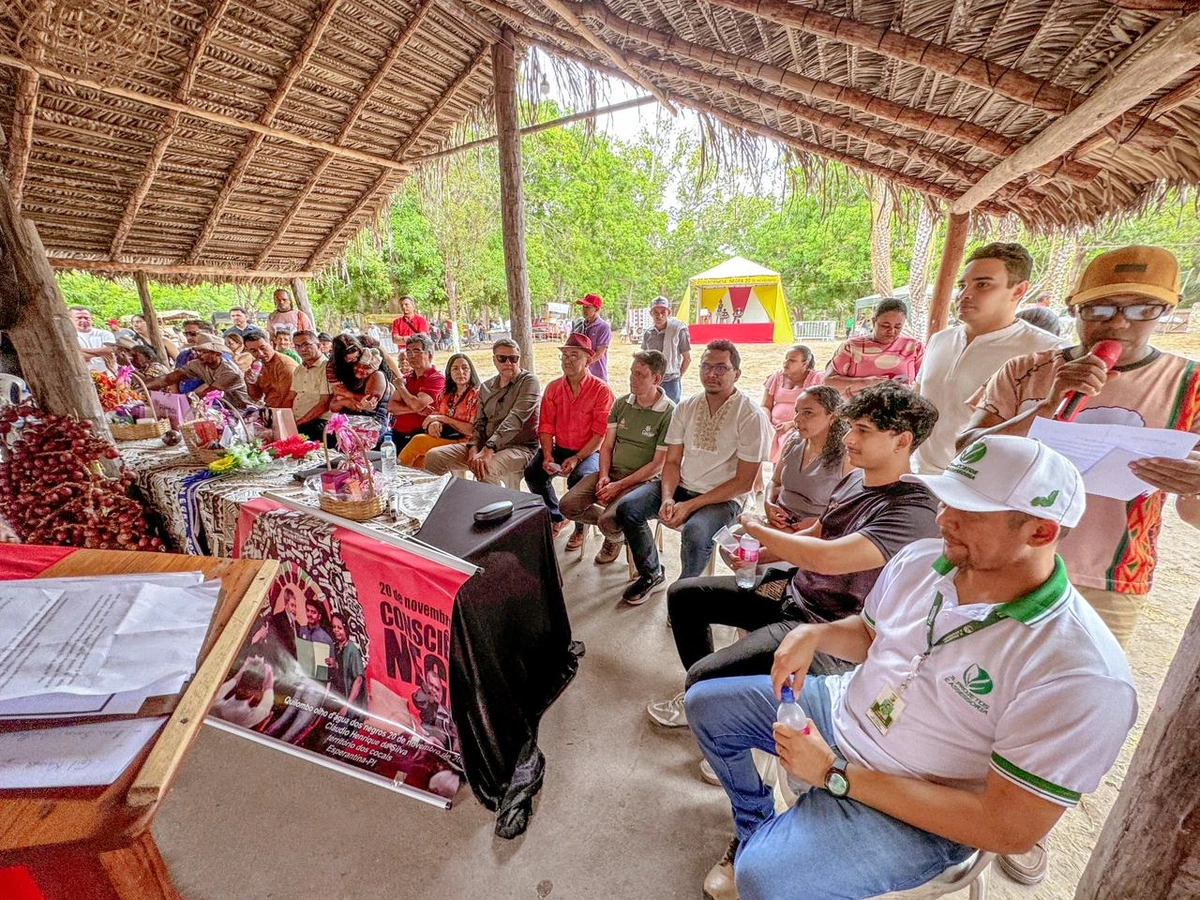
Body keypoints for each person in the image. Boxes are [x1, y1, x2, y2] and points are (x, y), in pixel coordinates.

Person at [686, 435, 1136, 900]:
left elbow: (1007, 827)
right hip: (844, 712)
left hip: (920, 805)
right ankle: (755, 827)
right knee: (706, 705)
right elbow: (870, 635)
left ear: (1040, 532)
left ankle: (775, 849)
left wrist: (834, 773)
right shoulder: (922, 561)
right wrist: (815, 635)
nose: (943, 519)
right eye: (946, 500)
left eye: (969, 511)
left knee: (764, 879)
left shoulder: (1080, 672)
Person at [648, 382, 940, 729]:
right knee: (684, 596)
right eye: (851, 428)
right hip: (793, 591)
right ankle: (714, 697)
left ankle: (709, 698)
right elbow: (817, 533)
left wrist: (756, 528)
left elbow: (827, 558)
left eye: (863, 431)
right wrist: (759, 556)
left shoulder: (913, 508)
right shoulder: (855, 480)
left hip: (826, 624)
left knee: (702, 676)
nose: (849, 439)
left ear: (902, 440)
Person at [612, 340, 771, 605]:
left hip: (724, 498)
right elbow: (672, 461)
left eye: (721, 367)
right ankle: (651, 573)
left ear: (737, 373)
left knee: (695, 531)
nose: (712, 373)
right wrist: (668, 498)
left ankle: (685, 594)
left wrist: (690, 506)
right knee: (628, 508)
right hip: (682, 486)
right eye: (706, 366)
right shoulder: (686, 407)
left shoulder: (750, 415)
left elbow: (744, 482)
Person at [911, 242, 1067, 476]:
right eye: (962, 285)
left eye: (983, 284)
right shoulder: (940, 340)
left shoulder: (1046, 352)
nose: (965, 295)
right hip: (919, 474)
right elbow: (916, 400)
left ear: (1018, 291)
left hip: (984, 484)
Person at [560, 350, 675, 565]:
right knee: (567, 505)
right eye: (632, 372)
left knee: (609, 520)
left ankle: (616, 533)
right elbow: (607, 446)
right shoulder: (622, 403)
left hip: (643, 481)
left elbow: (657, 465)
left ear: (657, 379)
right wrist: (604, 476)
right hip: (613, 472)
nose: (632, 378)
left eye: (640, 375)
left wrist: (619, 486)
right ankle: (620, 533)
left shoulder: (669, 412)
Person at [525, 333, 614, 545]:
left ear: (588, 360)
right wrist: (548, 454)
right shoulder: (553, 388)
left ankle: (580, 528)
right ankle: (557, 515)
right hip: (561, 447)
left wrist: (577, 458)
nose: (568, 360)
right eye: (565, 355)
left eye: (574, 355)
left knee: (579, 480)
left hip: (591, 451)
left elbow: (600, 434)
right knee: (533, 473)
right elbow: (546, 426)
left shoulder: (601, 390)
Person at [424, 339, 540, 486]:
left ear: (519, 359)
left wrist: (489, 448)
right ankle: (441, 498)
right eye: (502, 358)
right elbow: (479, 423)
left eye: (513, 358)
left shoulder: (529, 381)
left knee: (485, 468)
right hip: (485, 445)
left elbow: (515, 419)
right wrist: (473, 448)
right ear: (494, 360)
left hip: (518, 447)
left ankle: (496, 501)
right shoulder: (486, 387)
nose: (508, 363)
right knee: (434, 456)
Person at [764, 385, 851, 533]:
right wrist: (767, 503)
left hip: (817, 532)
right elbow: (775, 481)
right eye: (797, 411)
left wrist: (819, 523)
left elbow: (853, 507)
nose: (797, 419)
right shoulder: (793, 440)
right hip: (780, 523)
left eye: (808, 413)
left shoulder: (847, 455)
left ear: (832, 416)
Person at [824, 298, 923, 397]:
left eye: (898, 327)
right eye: (885, 326)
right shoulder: (851, 347)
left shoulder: (914, 347)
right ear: (873, 321)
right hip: (856, 406)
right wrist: (869, 382)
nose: (892, 331)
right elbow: (828, 381)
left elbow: (923, 382)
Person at [398, 353, 481, 470]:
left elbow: (472, 430)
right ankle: (418, 480)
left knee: (418, 441)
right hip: (447, 437)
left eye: (465, 368)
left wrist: (443, 419)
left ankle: (397, 475)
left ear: (471, 371)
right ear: (449, 373)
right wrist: (434, 423)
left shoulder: (476, 395)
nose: (460, 372)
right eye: (455, 369)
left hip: (468, 442)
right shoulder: (445, 394)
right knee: (420, 455)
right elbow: (435, 415)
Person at [145, 336, 251, 409]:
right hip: (225, 407)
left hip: (244, 409)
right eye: (198, 351)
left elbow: (208, 393)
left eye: (204, 352)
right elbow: (169, 378)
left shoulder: (230, 372)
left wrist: (175, 402)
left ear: (217, 354)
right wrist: (144, 387)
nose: (199, 354)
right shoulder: (197, 364)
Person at [761, 344, 824, 463]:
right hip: (774, 425)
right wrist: (766, 422)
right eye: (786, 359)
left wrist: (791, 424)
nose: (786, 363)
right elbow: (765, 406)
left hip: (801, 425)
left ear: (804, 364)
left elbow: (817, 411)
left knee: (790, 438)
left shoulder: (816, 379)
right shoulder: (776, 377)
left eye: (792, 360)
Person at [387, 333, 445, 451]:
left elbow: (417, 404)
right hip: (397, 433)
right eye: (408, 352)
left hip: (421, 434)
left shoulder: (436, 378)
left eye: (417, 351)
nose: (412, 356)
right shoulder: (407, 378)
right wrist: (419, 409)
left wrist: (401, 388)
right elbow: (391, 406)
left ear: (429, 355)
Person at [328, 338, 390, 435]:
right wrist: (346, 401)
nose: (360, 369)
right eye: (357, 365)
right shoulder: (349, 378)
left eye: (366, 367)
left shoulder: (377, 375)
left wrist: (347, 395)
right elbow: (333, 407)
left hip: (371, 428)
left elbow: (367, 402)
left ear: (375, 368)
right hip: (348, 427)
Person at [641, 295, 692, 403]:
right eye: (655, 312)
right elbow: (644, 357)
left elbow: (687, 358)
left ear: (669, 313)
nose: (659, 316)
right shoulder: (648, 333)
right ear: (651, 313)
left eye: (663, 312)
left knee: (671, 410)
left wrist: (677, 376)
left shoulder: (678, 330)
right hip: (652, 380)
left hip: (671, 382)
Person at [287, 330, 333, 441]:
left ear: (319, 346)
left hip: (318, 422)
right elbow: (290, 397)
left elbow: (324, 404)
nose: (302, 349)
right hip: (298, 421)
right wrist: (281, 418)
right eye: (297, 346)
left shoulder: (327, 367)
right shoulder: (299, 369)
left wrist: (297, 424)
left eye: (306, 344)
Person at [243, 328, 298, 409]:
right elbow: (255, 397)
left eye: (263, 348)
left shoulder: (285, 365)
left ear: (271, 344)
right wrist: (250, 382)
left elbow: (289, 399)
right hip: (270, 408)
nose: (260, 354)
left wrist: (271, 414)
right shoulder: (257, 365)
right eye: (254, 351)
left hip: (286, 410)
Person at [327, 613, 366, 717]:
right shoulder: (335, 647)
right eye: (334, 627)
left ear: (346, 629)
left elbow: (358, 680)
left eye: (339, 628)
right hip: (333, 698)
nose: (335, 630)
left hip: (348, 702)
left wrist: (347, 707)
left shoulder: (352, 650)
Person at [571, 292, 613, 381]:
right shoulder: (579, 325)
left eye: (588, 307)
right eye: (583, 307)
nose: (584, 310)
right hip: (579, 373)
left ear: (596, 309)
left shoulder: (603, 327)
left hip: (596, 374)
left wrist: (583, 364)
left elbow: (599, 354)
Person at [70, 306, 116, 373]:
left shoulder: (105, 334)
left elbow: (110, 350)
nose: (83, 320)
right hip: (83, 375)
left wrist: (80, 350)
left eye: (86, 318)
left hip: (108, 374)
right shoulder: (69, 337)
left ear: (92, 319)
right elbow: (75, 356)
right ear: (70, 319)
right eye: (79, 318)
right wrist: (102, 354)